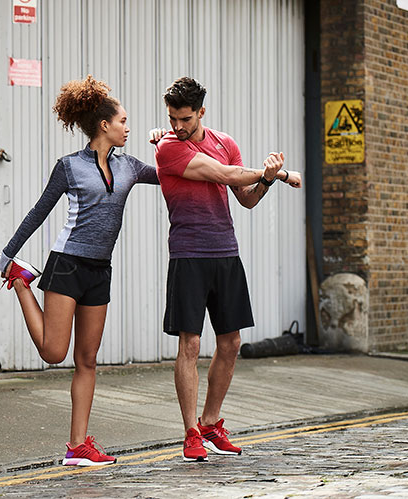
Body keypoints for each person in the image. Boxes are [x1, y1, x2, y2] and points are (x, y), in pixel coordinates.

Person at [0, 75, 159, 466]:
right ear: (105, 125)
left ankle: (77, 447)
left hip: (100, 270)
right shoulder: (69, 167)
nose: (129, 128)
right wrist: (8, 255)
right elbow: (40, 211)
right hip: (67, 264)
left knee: (87, 360)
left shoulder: (131, 167)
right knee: (54, 352)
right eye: (124, 121)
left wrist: (168, 142)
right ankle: (23, 284)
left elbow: (172, 175)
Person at [151, 77, 302, 462]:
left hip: (225, 251)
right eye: (172, 118)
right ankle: (190, 434)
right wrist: (279, 175)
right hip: (188, 254)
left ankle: (210, 422)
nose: (177, 126)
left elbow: (247, 199)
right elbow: (226, 175)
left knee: (231, 343)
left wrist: (265, 182)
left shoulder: (226, 142)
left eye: (184, 118)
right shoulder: (168, 148)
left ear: (201, 112)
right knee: (191, 344)